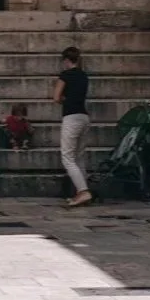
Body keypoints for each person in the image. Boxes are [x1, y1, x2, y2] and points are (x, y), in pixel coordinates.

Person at [55, 46, 93, 206]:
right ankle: (81, 191)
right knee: (79, 157)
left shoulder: (65, 75)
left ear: (66, 60)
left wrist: (65, 99)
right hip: (84, 116)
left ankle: (83, 191)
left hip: (71, 117)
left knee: (68, 158)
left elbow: (56, 97)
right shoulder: (84, 75)